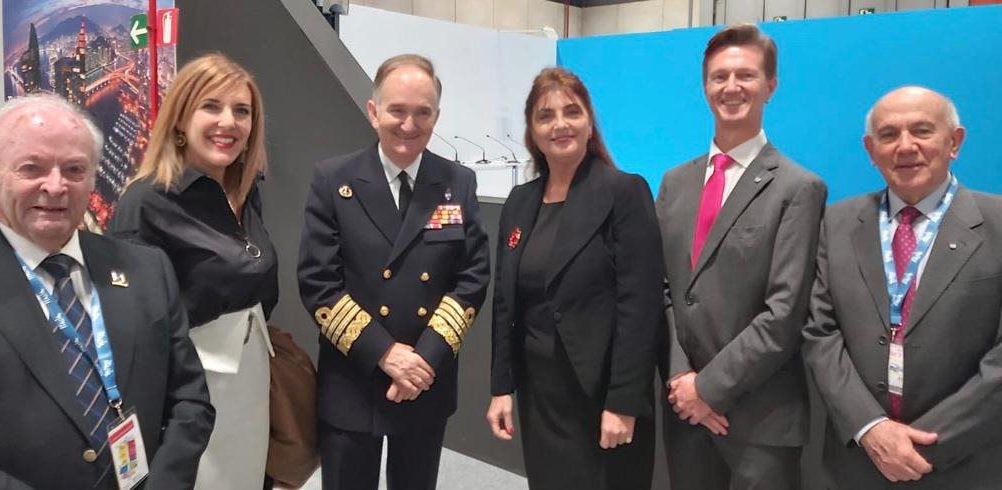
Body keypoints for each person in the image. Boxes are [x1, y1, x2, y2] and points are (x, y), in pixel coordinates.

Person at [0, 94, 213, 489]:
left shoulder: (147, 270)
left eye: (74, 170)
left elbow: (190, 399)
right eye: (32, 168)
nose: (56, 186)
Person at [297, 53, 490, 490]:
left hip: (426, 376)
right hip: (354, 375)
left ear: (436, 116)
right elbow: (318, 282)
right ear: (373, 112)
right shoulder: (333, 179)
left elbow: (472, 277)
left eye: (423, 112)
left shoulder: (457, 182)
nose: (408, 124)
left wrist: (423, 360)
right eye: (397, 110)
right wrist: (385, 354)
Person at [803, 86, 1002, 488]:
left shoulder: (997, 222)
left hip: (967, 462)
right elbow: (820, 332)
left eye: (922, 131)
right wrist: (870, 427)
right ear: (871, 150)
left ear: (954, 142)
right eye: (889, 134)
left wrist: (926, 444)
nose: (905, 146)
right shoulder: (837, 223)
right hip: (858, 461)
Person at [655, 23, 827, 489]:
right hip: (684, 410)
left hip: (760, 421)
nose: (731, 87)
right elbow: (665, 289)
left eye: (746, 75)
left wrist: (707, 389)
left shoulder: (798, 188)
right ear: (705, 87)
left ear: (770, 85)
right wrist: (682, 380)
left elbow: (784, 313)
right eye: (719, 76)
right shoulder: (674, 183)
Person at [485, 67, 663, 489]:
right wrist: (500, 387)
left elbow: (641, 307)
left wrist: (623, 402)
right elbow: (505, 303)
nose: (560, 124)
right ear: (532, 131)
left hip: (603, 397)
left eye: (572, 112)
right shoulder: (520, 202)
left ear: (589, 123)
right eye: (545, 116)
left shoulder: (624, 192)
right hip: (540, 396)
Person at [108, 53, 277, 490]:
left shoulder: (245, 190)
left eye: (242, 111)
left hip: (252, 377)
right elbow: (132, 325)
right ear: (181, 118)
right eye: (211, 106)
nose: (229, 122)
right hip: (190, 389)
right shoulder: (146, 202)